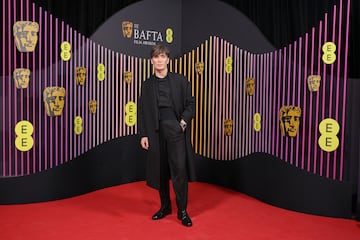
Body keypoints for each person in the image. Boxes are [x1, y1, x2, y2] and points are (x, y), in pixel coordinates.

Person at [138, 44, 196, 227]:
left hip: (175, 128)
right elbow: (141, 111)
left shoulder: (180, 80)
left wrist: (183, 123)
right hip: (155, 131)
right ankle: (165, 206)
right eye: (156, 57)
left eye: (162, 56)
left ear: (168, 59)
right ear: (151, 60)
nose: (159, 60)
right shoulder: (147, 85)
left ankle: (182, 210)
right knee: (160, 170)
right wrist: (144, 134)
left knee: (179, 170)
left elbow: (191, 104)